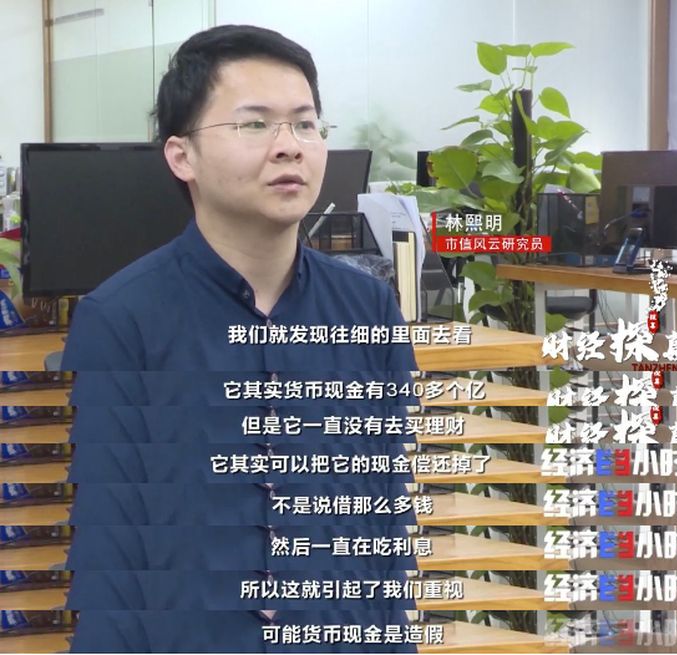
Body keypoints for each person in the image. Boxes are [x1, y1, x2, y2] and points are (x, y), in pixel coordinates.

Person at [60, 24, 419, 654]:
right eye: (254, 124)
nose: (289, 147)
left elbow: (385, 528)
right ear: (182, 156)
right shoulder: (121, 319)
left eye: (305, 124)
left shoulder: (368, 307)